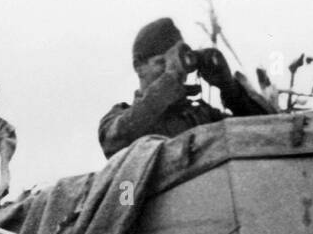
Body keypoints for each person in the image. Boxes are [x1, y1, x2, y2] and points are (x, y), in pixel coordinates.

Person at [99, 17, 272, 159]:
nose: (176, 71)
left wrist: (230, 88)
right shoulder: (119, 119)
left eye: (176, 63)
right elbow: (115, 143)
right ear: (139, 67)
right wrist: (170, 78)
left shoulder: (202, 115)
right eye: (161, 62)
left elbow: (269, 133)